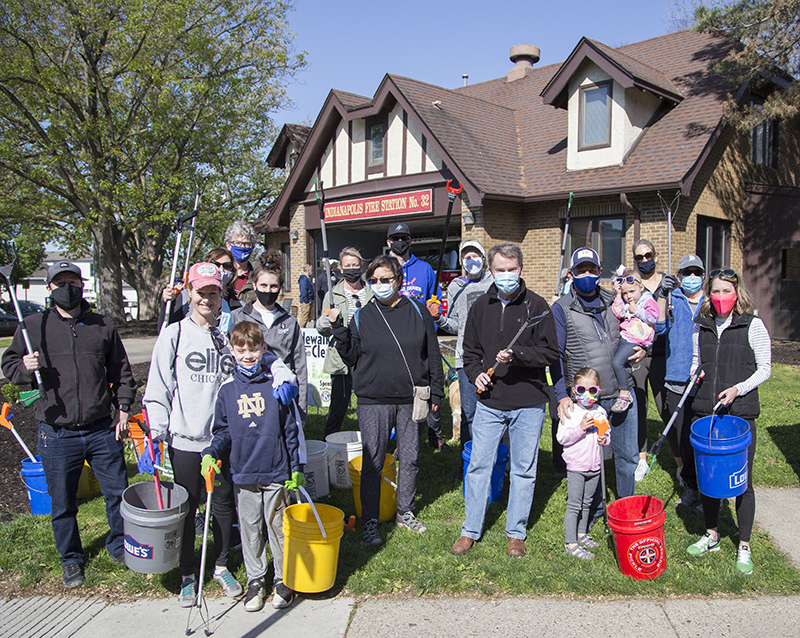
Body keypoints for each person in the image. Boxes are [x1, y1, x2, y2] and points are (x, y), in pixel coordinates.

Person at [144, 262, 297, 606]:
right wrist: (156, 430)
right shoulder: (175, 334)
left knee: (225, 511)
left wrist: (285, 376)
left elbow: (266, 356)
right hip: (187, 438)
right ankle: (187, 573)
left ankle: (222, 564)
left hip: (229, 438)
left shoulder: (229, 329)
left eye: (213, 292)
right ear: (190, 293)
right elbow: (158, 387)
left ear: (219, 295)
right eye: (201, 292)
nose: (207, 299)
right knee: (186, 508)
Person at [2, 261, 136, 588]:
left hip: (101, 427)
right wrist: (23, 366)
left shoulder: (102, 325)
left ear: (82, 284)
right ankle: (71, 558)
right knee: (62, 501)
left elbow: (121, 373)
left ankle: (119, 545)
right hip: (56, 430)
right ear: (49, 288)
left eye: (72, 280)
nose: (67, 287)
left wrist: (122, 409)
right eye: (59, 282)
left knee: (117, 492)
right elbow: (9, 364)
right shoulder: (33, 326)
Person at [451, 243, 559, 558]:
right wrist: (475, 375)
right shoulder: (480, 305)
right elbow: (469, 351)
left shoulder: (537, 306)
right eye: (500, 270)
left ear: (520, 270)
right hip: (490, 401)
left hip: (528, 402)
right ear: (491, 270)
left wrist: (519, 355)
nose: (506, 276)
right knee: (478, 465)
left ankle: (516, 532)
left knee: (524, 469)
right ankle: (470, 529)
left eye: (512, 270)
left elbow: (551, 353)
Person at [330, 254, 444, 546]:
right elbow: (352, 357)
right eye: (374, 280)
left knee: (411, 457)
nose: (379, 285)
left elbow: (432, 354)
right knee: (373, 460)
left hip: (411, 398)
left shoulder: (418, 311)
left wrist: (437, 391)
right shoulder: (361, 316)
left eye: (385, 279)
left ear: (398, 280)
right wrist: (340, 333)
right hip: (372, 400)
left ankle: (405, 511)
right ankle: (369, 518)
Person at [202, 322, 304, 611]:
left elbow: (290, 430)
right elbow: (221, 431)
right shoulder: (227, 390)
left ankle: (283, 579)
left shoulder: (276, 385)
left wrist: (295, 467)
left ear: (263, 349)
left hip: (275, 469)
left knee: (276, 528)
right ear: (232, 351)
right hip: (243, 472)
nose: (248, 354)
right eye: (241, 349)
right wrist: (211, 453)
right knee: (249, 527)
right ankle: (256, 580)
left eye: (254, 348)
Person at [685, 268, 771, 575]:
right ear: (709, 295)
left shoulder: (753, 325)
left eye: (726, 291)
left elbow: (765, 369)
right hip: (707, 412)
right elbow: (697, 363)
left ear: (737, 294)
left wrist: (738, 389)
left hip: (739, 416)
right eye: (716, 291)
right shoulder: (702, 327)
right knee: (709, 479)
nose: (721, 297)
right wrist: (695, 376)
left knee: (740, 481)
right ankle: (712, 535)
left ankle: (744, 545)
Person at [551, 247, 644, 500]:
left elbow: (638, 328)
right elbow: (555, 356)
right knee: (593, 460)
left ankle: (626, 506)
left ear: (600, 271)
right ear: (572, 274)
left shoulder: (614, 301)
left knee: (627, 456)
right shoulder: (561, 308)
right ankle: (592, 511)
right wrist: (561, 395)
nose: (587, 274)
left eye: (592, 269)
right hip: (588, 399)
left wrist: (644, 349)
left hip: (622, 392)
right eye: (581, 270)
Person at [386, 222, 445, 448]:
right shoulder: (384, 269)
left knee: (429, 383)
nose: (400, 242)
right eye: (395, 238)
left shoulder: (425, 269)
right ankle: (395, 434)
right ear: (388, 241)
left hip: (420, 337)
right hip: (392, 337)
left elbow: (435, 297)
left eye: (404, 237)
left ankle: (434, 432)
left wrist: (435, 307)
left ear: (410, 241)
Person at [231, 251, 308, 423]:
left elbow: (300, 367)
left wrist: (302, 410)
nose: (268, 290)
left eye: (273, 286)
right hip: (247, 396)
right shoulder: (238, 317)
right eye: (263, 285)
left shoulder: (289, 322)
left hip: (282, 395)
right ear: (254, 285)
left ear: (280, 288)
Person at [654, 254, 705, 506]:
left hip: (705, 381)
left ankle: (708, 487)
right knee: (683, 434)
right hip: (677, 378)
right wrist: (662, 296)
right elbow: (659, 329)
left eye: (696, 273)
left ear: (703, 276)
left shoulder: (710, 302)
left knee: (704, 436)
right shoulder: (673, 299)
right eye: (687, 273)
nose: (692, 278)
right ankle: (691, 487)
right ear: (679, 276)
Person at [434, 240, 494, 454]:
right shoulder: (455, 287)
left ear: (483, 259)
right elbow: (454, 325)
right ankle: (468, 460)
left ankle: (495, 457)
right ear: (461, 261)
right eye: (467, 257)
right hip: (465, 359)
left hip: (492, 358)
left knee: (494, 410)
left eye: (475, 255)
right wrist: (439, 319)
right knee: (469, 412)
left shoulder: (493, 282)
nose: (472, 261)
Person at [316, 247, 373, 437]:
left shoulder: (371, 292)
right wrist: (324, 322)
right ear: (340, 268)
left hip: (368, 354)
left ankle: (371, 438)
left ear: (362, 266)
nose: (352, 269)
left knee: (370, 402)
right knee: (339, 403)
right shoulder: (332, 295)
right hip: (341, 356)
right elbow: (324, 330)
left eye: (355, 265)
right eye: (347, 265)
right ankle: (329, 439)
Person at [556, 367, 610, 560]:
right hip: (576, 466)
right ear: (574, 390)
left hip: (595, 465)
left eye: (592, 391)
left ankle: (582, 533)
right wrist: (580, 429)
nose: (587, 395)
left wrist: (605, 439)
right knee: (574, 505)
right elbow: (562, 438)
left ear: (599, 391)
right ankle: (571, 543)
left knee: (587, 503)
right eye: (581, 390)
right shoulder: (571, 411)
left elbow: (606, 433)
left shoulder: (601, 412)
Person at [630, 240, 670, 483]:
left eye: (648, 255)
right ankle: (641, 458)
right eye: (639, 257)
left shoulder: (668, 284)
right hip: (638, 354)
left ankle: (680, 462)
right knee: (640, 407)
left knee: (667, 406)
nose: (645, 260)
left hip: (663, 354)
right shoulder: (631, 284)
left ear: (655, 255)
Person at [609, 268, 659, 417]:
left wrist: (637, 311)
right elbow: (617, 312)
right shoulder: (626, 302)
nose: (628, 296)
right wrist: (618, 295)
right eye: (625, 293)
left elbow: (653, 318)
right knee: (618, 363)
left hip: (636, 340)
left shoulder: (647, 301)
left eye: (632, 291)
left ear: (641, 287)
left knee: (617, 363)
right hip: (626, 337)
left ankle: (624, 394)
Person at [160, 247, 239, 332]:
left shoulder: (239, 306)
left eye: (227, 266)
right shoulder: (183, 297)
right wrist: (168, 303)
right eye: (215, 264)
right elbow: (166, 329)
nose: (221, 270)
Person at [225, 220, 258, 303]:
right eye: (238, 243)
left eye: (247, 244)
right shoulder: (221, 274)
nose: (242, 247)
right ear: (228, 245)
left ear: (253, 247)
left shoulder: (257, 278)